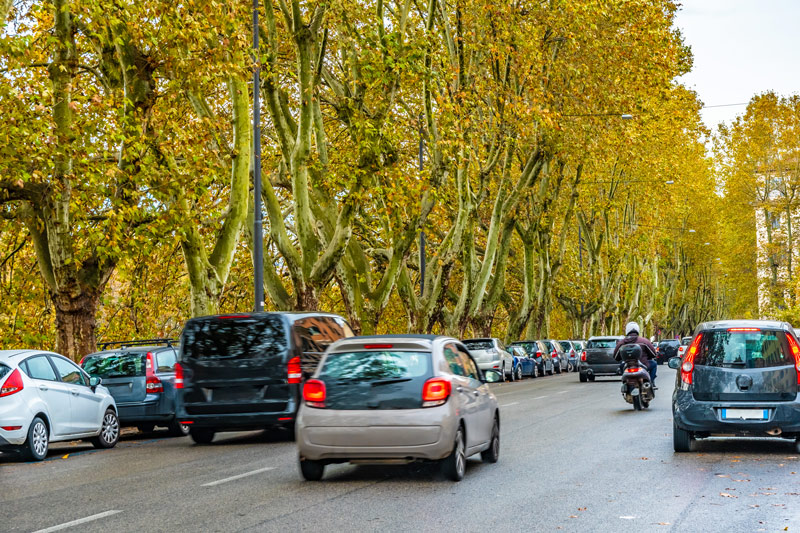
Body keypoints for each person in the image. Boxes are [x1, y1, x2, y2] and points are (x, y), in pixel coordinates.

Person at [613, 321, 658, 389]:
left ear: (627, 330)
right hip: (643, 365)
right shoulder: (644, 341)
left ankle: (625, 383)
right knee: (654, 364)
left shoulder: (621, 343)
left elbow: (616, 357)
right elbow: (653, 354)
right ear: (637, 330)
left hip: (627, 366)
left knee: (621, 366)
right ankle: (650, 382)